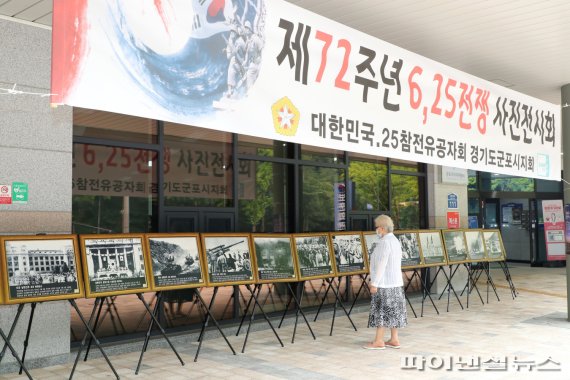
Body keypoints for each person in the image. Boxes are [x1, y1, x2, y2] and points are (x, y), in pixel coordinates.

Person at [364, 215, 408, 350]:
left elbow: (381, 264)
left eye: (377, 227)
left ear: (382, 228)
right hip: (396, 282)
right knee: (394, 311)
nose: (376, 230)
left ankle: (378, 341)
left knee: (381, 311)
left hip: (384, 283)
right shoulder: (395, 240)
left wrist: (374, 283)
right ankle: (394, 339)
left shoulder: (384, 243)